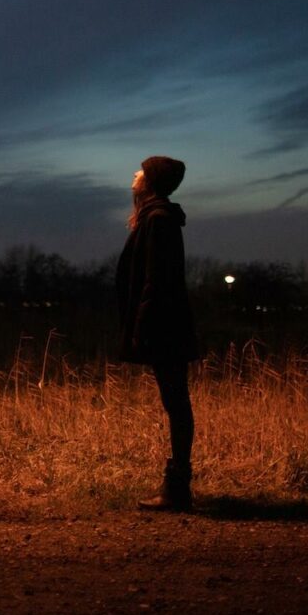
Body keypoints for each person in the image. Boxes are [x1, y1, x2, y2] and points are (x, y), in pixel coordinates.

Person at [115, 154, 198, 511]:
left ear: (150, 181)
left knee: (176, 401)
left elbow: (156, 279)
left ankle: (178, 487)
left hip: (165, 325)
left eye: (142, 170)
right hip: (165, 323)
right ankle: (178, 485)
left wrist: (142, 326)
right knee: (175, 400)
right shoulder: (154, 218)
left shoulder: (159, 220)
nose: (135, 173)